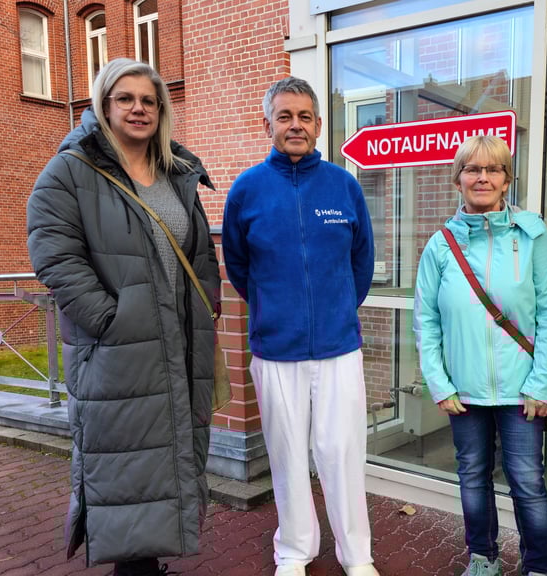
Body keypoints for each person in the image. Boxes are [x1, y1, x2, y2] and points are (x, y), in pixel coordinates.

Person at [27, 58, 219, 576]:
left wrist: (207, 308)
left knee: (167, 454)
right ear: (104, 105)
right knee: (127, 462)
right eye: (126, 98)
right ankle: (133, 570)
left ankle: (148, 565)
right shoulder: (71, 170)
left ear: (161, 110)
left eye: (149, 101)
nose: (139, 109)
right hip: (118, 347)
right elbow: (53, 254)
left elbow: (199, 256)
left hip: (178, 342)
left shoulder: (175, 172)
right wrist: (109, 320)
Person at [221, 77, 378, 576]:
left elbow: (362, 263)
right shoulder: (247, 190)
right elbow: (239, 268)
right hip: (276, 350)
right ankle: (294, 549)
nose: (295, 125)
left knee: (342, 454)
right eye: (284, 116)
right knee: (287, 456)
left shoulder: (343, 186)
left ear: (318, 124)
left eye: (304, 116)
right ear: (267, 123)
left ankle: (357, 556)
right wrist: (277, 310)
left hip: (338, 349)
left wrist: (333, 312)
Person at [413, 135, 547, 576]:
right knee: (473, 479)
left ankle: (538, 566)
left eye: (492, 169)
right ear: (457, 179)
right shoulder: (440, 245)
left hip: (523, 391)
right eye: (472, 169)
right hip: (464, 392)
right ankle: (483, 558)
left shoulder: (532, 236)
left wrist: (543, 383)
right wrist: (438, 384)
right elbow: (426, 321)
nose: (482, 177)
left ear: (506, 179)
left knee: (528, 483)